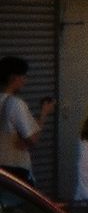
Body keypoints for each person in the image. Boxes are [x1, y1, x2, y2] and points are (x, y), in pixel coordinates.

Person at [0, 56, 54, 187]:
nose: (25, 81)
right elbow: (32, 138)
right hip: (15, 173)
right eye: (23, 76)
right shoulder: (15, 104)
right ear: (13, 78)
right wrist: (44, 113)